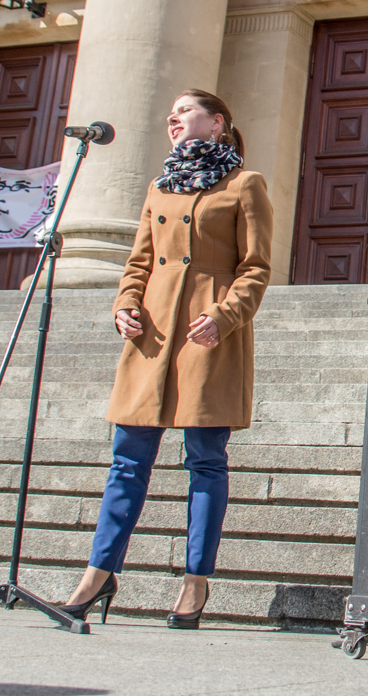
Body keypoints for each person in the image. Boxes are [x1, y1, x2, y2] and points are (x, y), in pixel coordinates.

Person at [63, 89, 274, 629]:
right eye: (171, 114)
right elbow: (138, 261)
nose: (172, 119)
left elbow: (256, 266)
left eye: (185, 111)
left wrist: (226, 315)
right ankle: (99, 571)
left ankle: (195, 583)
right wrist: (123, 304)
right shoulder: (160, 186)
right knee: (127, 460)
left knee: (206, 461)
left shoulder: (244, 185)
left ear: (217, 121)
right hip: (152, 334)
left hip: (208, 334)